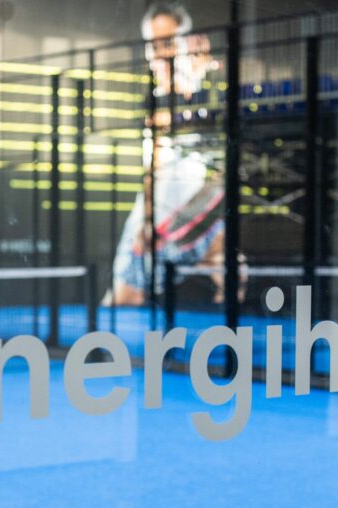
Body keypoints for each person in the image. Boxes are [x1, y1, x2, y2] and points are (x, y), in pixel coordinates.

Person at [108, 2, 243, 306]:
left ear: (184, 42)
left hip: (191, 211)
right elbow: (154, 168)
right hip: (162, 215)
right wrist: (147, 221)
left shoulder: (204, 89)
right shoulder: (155, 100)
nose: (160, 53)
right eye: (154, 44)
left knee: (225, 275)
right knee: (125, 295)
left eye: (168, 42)